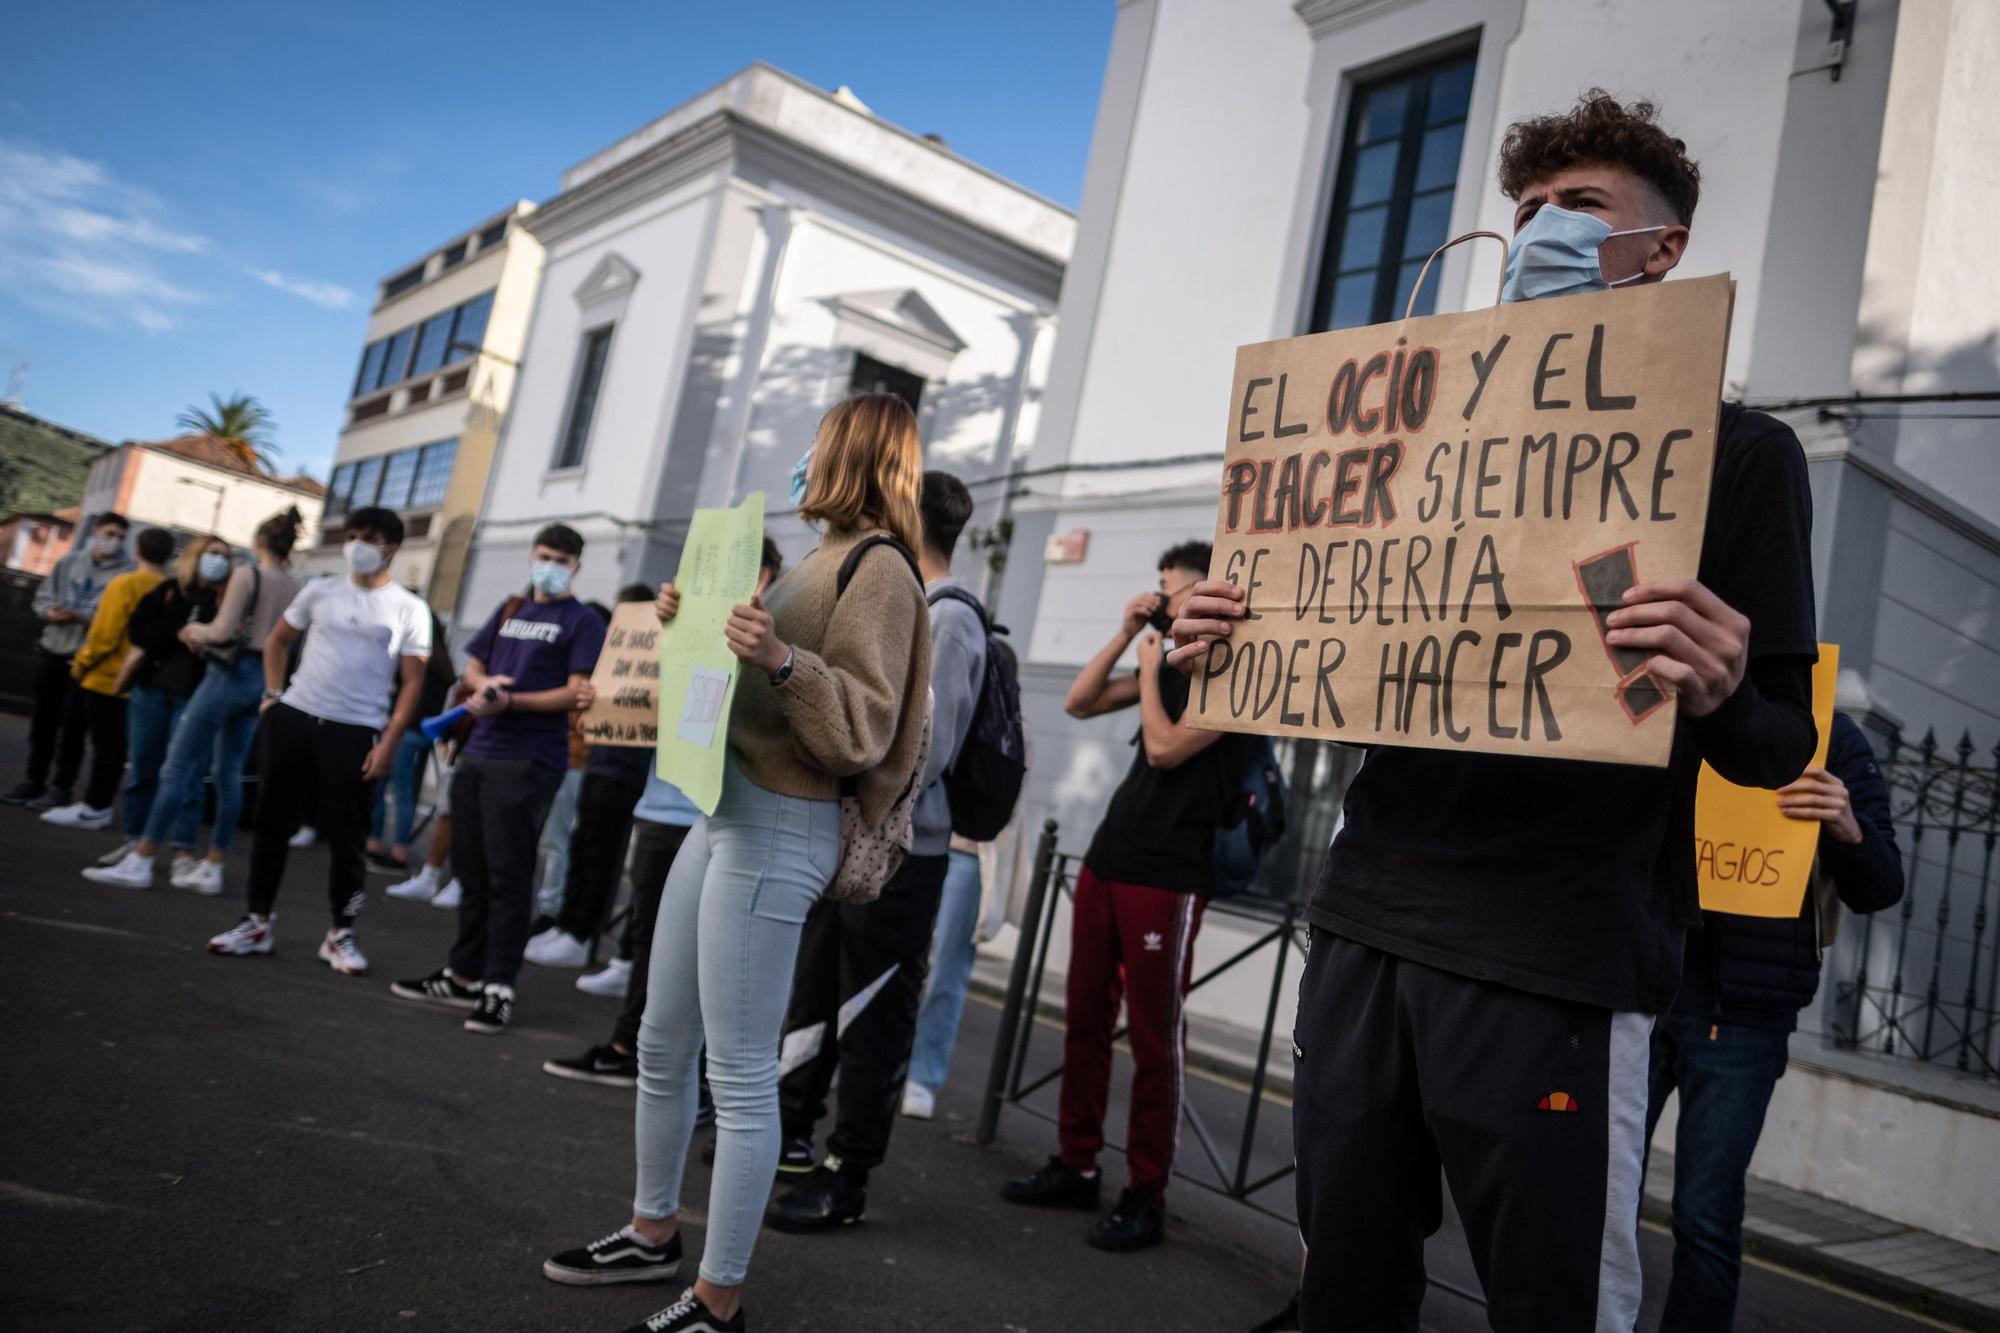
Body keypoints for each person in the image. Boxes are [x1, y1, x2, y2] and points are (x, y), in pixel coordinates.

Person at [1167, 91, 1820, 1328]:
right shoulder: (1417, 446)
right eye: (1520, 211)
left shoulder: (1741, 456)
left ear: (1660, 251)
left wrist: (1728, 685)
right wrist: (1230, 641)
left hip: (1557, 958)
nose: (1535, 234)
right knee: (1343, 1288)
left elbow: (1780, 743)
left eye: (1576, 208)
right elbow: (1351, 652)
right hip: (1365, 924)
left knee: (1554, 1306)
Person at [539, 393, 931, 1333]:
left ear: (849, 455)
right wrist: (694, 620)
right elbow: (746, 672)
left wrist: (783, 658)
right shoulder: (818, 558)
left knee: (742, 1075)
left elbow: (866, 727)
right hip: (726, 814)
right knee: (665, 1042)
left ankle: (719, 1300)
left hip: (779, 825)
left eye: (816, 446)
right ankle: (651, 1231)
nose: (801, 462)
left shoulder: (882, 571)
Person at [1001, 539, 1260, 1252]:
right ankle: (1076, 1161)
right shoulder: (1160, 661)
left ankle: (1147, 1190)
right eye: (1158, 590)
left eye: (1171, 592)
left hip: (1169, 876)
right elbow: (1079, 701)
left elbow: (1164, 747)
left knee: (1155, 1038)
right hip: (1110, 860)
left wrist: (1149, 667)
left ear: (1208, 594)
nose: (1160, 603)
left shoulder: (1241, 680)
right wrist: (1125, 634)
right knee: (1084, 1016)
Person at [767, 469, 986, 1231]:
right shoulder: (903, 601)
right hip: (851, 836)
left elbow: (927, 752)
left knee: (870, 1015)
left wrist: (849, 755)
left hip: (901, 851)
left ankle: (847, 1171)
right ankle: (790, 1134)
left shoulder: (951, 619)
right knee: (816, 992)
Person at [1647, 711, 1903, 1330]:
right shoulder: (1660, 707)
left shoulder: (1831, 736)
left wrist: (1848, 827)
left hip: (1744, 1015)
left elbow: (1882, 885)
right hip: (1640, 990)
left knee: (1704, 1217)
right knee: (1597, 1196)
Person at [543, 555, 783, 1084]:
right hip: (663, 808)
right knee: (655, 940)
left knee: (686, 949)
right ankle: (642, 1050)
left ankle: (647, 1055)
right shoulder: (687, 624)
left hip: (707, 814)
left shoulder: (770, 637)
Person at [390, 524, 606, 1034]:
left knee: (509, 874)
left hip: (531, 758)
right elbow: (473, 666)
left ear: (575, 565)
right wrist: (486, 688)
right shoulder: (511, 608)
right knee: (473, 869)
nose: (550, 564)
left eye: (561, 559)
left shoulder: (580, 621)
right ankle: (463, 974)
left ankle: (499, 987)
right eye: (545, 554)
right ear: (532, 555)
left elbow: (577, 694)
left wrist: (515, 702)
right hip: (480, 752)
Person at [206, 507, 429, 973]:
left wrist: (388, 741)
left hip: (356, 731)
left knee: (348, 840)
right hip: (296, 719)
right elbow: (277, 641)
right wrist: (273, 696)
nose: (357, 545)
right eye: (351, 535)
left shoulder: (409, 608)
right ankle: (257, 921)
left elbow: (412, 682)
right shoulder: (320, 589)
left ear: (392, 546)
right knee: (271, 825)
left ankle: (341, 933)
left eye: (367, 537)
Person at [89, 513, 304, 896]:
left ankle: (141, 857)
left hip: (227, 673)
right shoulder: (295, 586)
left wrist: (191, 630)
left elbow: (221, 630)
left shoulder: (247, 575)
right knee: (230, 773)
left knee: (177, 767)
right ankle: (213, 865)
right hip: (263, 680)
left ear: (258, 540)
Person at [526, 586, 654, 968]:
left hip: (625, 766)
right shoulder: (611, 655)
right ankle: (568, 924)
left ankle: (583, 933)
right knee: (583, 844)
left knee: (600, 852)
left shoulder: (651, 655)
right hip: (600, 758)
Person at [92, 536, 221, 874]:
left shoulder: (226, 599)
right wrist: (177, 632)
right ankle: (135, 841)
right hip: (153, 688)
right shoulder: (168, 590)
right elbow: (138, 631)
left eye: (224, 556)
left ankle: (182, 851)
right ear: (195, 557)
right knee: (143, 767)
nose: (219, 561)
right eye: (212, 554)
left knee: (188, 776)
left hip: (196, 695)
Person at [40, 526, 172, 831]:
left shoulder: (124, 584)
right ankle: (100, 804)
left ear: (137, 550)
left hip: (105, 678)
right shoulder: (170, 588)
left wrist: (82, 664)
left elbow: (104, 635)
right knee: (117, 749)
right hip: (142, 681)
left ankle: (92, 805)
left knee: (97, 745)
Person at [5, 512, 135, 812]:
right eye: (109, 533)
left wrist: (82, 617)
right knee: (43, 721)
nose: (113, 541)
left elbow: (118, 620)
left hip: (86, 657)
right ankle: (33, 779)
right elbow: (42, 598)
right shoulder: (69, 563)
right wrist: (51, 612)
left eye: (119, 537)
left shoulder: (125, 575)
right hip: (54, 648)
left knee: (74, 726)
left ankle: (61, 786)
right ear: (96, 532)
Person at [368, 608, 454, 874]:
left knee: (383, 787)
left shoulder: (415, 659)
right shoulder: (444, 664)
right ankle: (399, 850)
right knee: (406, 791)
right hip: (423, 734)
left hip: (402, 731)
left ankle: (376, 845)